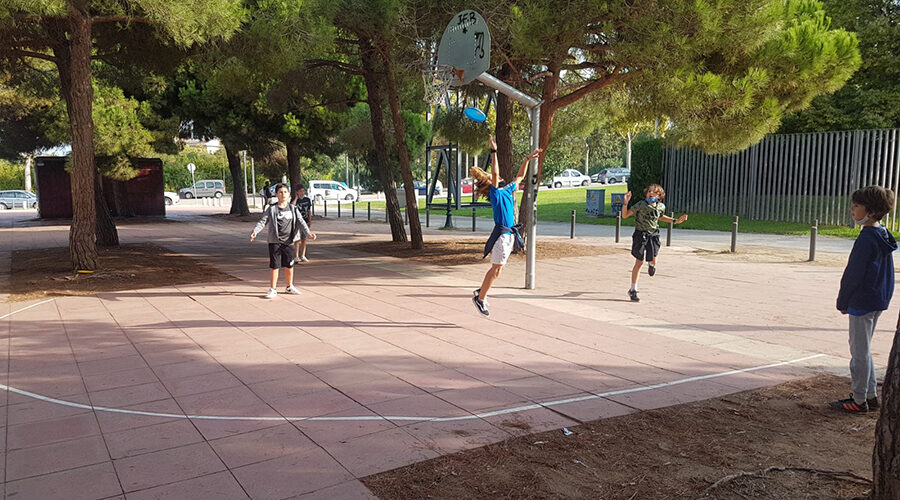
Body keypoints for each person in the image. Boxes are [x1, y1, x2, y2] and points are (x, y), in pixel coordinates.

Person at [830, 185, 896, 413]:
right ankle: (870, 395)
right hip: (877, 299)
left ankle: (858, 400)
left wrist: (843, 301)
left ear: (871, 211)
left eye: (856, 206)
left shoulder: (866, 239)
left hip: (862, 301)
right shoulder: (882, 234)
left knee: (858, 352)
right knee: (864, 348)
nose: (852, 209)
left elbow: (853, 274)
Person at [470, 135, 542, 317]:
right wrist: (493, 151)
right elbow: (495, 173)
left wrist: (527, 159)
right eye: (493, 177)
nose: (499, 176)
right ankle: (480, 298)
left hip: (509, 235)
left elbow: (520, 177)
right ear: (491, 182)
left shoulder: (508, 190)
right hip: (502, 236)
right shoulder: (495, 194)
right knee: (496, 269)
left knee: (499, 269)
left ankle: (481, 291)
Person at [621, 184, 688, 302]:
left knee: (653, 259)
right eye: (649, 192)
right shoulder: (641, 205)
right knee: (639, 262)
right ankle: (633, 289)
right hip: (640, 234)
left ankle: (652, 265)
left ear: (659, 196)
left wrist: (675, 221)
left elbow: (660, 217)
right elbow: (625, 215)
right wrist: (625, 203)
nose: (651, 193)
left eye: (654, 192)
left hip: (653, 235)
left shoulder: (661, 207)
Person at [250, 183, 316, 299]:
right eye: (280, 192)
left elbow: (301, 222)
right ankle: (273, 289)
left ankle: (289, 286)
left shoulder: (293, 209)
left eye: (285, 192)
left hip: (289, 241)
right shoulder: (272, 209)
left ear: (289, 194)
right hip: (275, 241)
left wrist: (308, 233)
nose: (283, 194)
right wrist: (255, 231)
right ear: (276, 194)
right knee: (275, 266)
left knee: (289, 265)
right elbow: (263, 221)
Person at [292, 185, 313, 263]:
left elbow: (309, 211)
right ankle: (296, 256)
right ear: (297, 192)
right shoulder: (294, 200)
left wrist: (310, 220)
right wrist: (296, 198)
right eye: (300, 191)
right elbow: (292, 206)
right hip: (297, 222)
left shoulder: (307, 200)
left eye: (303, 191)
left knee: (304, 239)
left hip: (305, 220)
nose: (302, 193)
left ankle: (303, 255)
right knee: (297, 239)